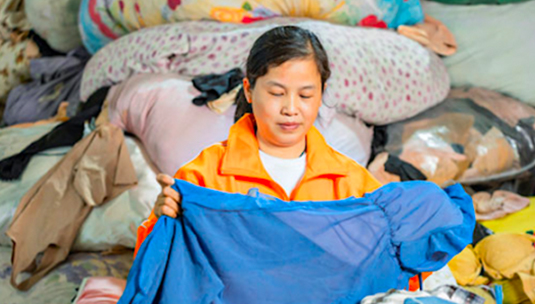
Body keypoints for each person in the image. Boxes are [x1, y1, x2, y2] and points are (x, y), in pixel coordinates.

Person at [135, 25, 381, 254]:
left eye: (306, 95)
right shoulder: (205, 177)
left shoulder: (352, 184)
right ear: (249, 90)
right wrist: (162, 222)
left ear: (321, 93)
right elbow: (156, 271)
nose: (291, 108)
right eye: (277, 93)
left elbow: (393, 264)